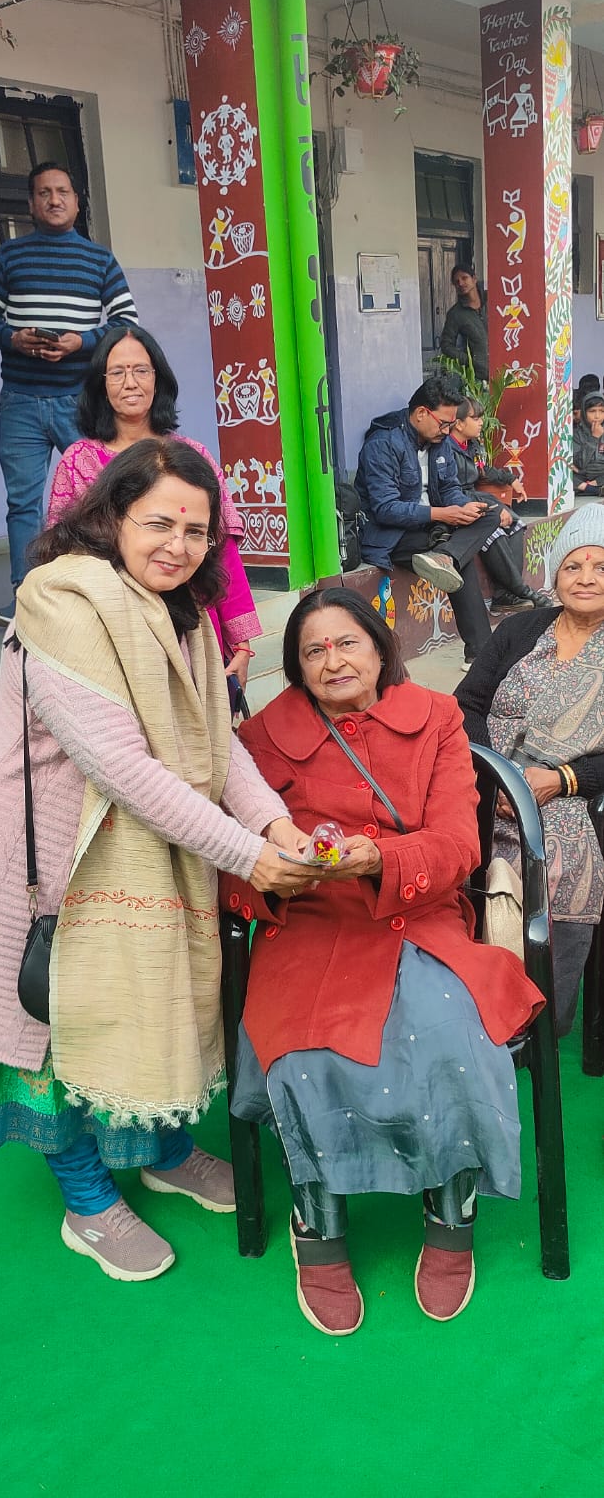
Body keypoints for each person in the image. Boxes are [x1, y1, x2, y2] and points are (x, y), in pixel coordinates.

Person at [0, 441, 318, 1284]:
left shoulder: (183, 612)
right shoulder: (62, 602)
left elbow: (216, 744)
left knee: (146, 998)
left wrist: (274, 823)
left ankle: (162, 1150)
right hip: (33, 854)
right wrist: (249, 854)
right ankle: (86, 1196)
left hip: (130, 848)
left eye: (197, 531)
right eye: (159, 522)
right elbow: (127, 770)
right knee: (53, 1026)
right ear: (111, 515)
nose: (179, 544)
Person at [221, 587, 543, 1335]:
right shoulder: (262, 737)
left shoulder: (436, 717)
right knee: (304, 1047)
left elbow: (459, 843)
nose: (332, 661)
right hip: (310, 923)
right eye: (313, 650)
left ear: (379, 646)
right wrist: (277, 875)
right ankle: (318, 1220)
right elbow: (229, 857)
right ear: (296, 666)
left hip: (418, 913)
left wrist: (379, 859)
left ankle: (450, 1207)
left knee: (453, 1032)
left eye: (347, 643)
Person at [456, 506, 604, 1036]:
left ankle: (540, 1012)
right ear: (555, 575)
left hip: (568, 794)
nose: (585, 578)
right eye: (573, 566)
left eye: (601, 567)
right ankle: (473, 1000)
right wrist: (497, 773)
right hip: (490, 779)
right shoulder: (520, 629)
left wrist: (561, 780)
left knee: (558, 857)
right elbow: (466, 704)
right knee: (450, 847)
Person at [47, 324, 261, 689]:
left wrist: (240, 642)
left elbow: (221, 550)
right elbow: (64, 560)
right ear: (101, 385)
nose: (130, 382)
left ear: (158, 379)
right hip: (116, 633)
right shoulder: (78, 462)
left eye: (141, 370)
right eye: (117, 372)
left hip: (194, 625)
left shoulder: (191, 456)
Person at [0, 160, 137, 627]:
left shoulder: (99, 260)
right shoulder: (10, 256)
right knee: (23, 504)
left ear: (77, 202)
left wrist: (80, 343)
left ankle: (111, 585)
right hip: (20, 400)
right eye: (44, 192)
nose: (54, 199)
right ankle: (26, 597)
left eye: (62, 191)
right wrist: (14, 338)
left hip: (79, 400)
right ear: (31, 204)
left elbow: (126, 322)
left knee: (101, 491)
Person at [356, 375, 504, 668]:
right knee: (460, 559)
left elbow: (449, 488)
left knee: (489, 512)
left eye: (451, 425)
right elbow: (385, 509)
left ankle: (445, 557)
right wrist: (442, 514)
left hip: (433, 529)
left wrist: (463, 507)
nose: (447, 431)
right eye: (444, 424)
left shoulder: (439, 441)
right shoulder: (383, 444)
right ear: (422, 413)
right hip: (392, 536)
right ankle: (480, 653)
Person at [450, 398, 547, 612]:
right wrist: (493, 507)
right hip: (457, 504)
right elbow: (450, 492)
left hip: (475, 497)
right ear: (458, 423)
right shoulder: (445, 449)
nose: (481, 422)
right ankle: (522, 590)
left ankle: (505, 595)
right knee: (493, 531)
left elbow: (483, 470)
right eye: (475, 418)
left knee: (516, 524)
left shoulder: (472, 445)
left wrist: (510, 479)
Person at [438, 262, 489, 381]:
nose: (460, 283)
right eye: (456, 282)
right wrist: (469, 361)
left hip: (505, 370)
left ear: (474, 279)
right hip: (478, 377)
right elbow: (446, 345)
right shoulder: (455, 314)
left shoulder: (494, 299)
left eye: (464, 278)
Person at [572, 390, 604, 496]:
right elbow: (579, 464)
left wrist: (598, 481)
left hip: (601, 476)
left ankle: (589, 488)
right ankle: (595, 490)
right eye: (592, 411)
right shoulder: (577, 434)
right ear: (584, 413)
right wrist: (594, 438)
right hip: (582, 477)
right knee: (563, 474)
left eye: (602, 411)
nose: (597, 416)